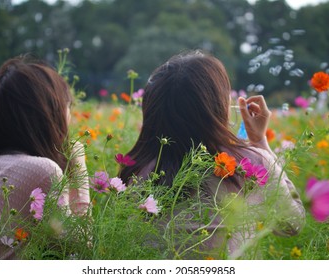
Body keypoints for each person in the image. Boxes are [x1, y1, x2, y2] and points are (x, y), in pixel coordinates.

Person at [119, 50, 305, 259]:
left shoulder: (136, 171)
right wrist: (261, 144)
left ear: (152, 111)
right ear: (217, 108)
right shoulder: (250, 164)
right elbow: (292, 224)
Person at [0, 56, 90, 259]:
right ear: (50, 115)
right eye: (68, 107)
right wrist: (79, 169)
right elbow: (79, 251)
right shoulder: (42, 171)